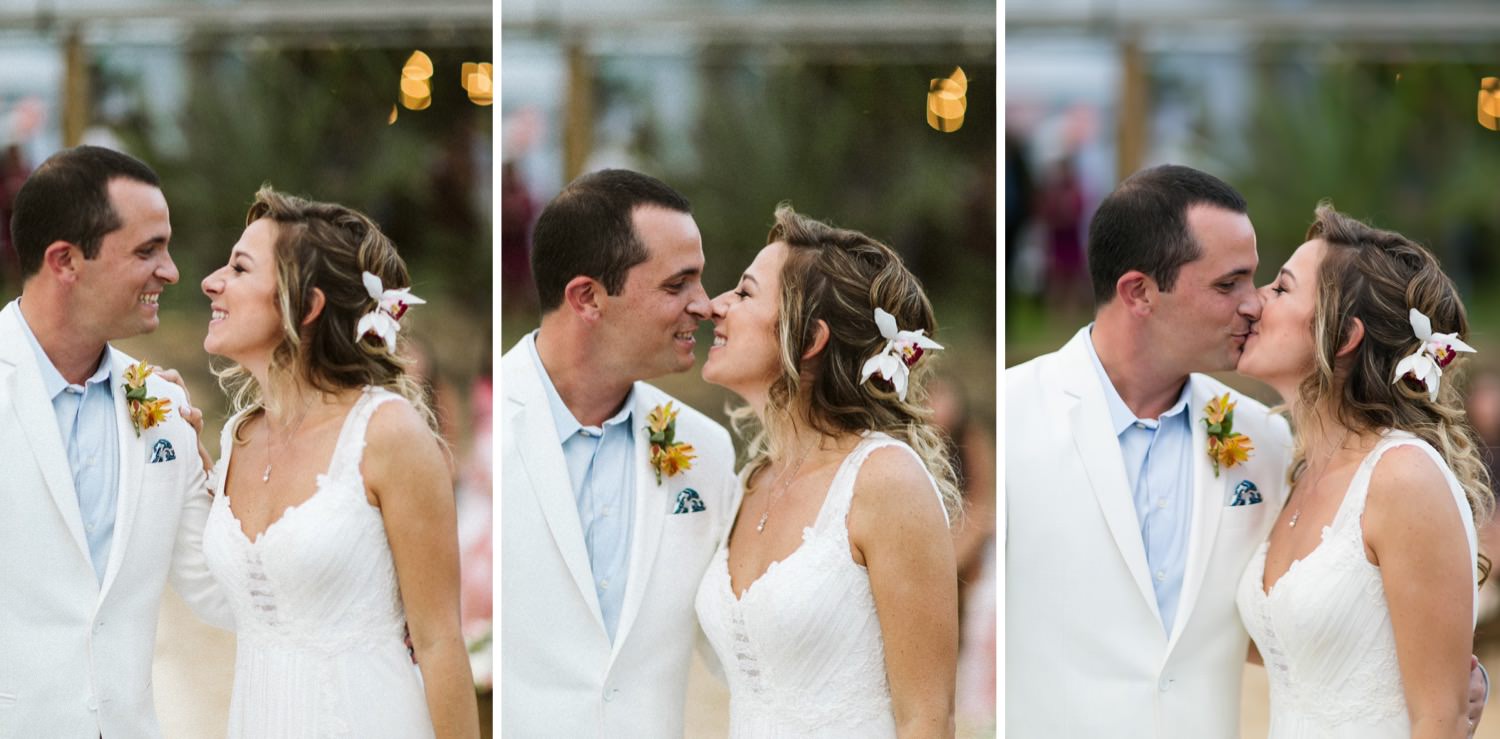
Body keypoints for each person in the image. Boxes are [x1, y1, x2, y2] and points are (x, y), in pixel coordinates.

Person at [1005, 164, 1488, 738]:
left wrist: (1443, 687)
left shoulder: (1267, 441)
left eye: (1270, 284)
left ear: (1343, 336)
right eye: (1227, 284)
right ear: (1139, 292)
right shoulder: (1015, 414)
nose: (1253, 304)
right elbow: (1289, 624)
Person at [198, 187, 478, 737]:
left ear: (306, 306)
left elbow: (440, 641)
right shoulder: (238, 437)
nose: (211, 281)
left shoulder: (387, 434)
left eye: (239, 268)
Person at [694, 204, 960, 737]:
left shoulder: (885, 481)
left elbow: (926, 719)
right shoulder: (750, 483)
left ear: (809, 339)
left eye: (744, 293)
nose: (715, 306)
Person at [1234, 203, 1492, 737]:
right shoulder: (1297, 473)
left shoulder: (1402, 479)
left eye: (1281, 288)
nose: (1255, 300)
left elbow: (1439, 721)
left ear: (1343, 336)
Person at [0, 144, 232, 736]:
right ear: (65, 261)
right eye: (147, 250)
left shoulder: (164, 407)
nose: (171, 272)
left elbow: (219, 590)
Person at [499, 169, 738, 738]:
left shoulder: (705, 449)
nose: (704, 305)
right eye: (677, 284)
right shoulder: (479, 441)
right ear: (587, 298)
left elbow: (740, 647)